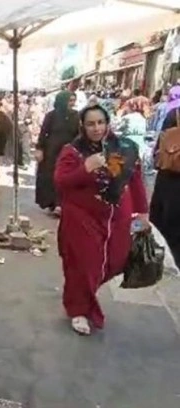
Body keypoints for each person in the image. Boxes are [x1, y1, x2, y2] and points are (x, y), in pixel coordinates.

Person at [54, 105, 149, 335]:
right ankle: (78, 309)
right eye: (90, 124)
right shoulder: (72, 151)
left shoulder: (124, 147)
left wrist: (143, 212)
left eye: (100, 122)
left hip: (118, 217)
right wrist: (86, 168)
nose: (96, 128)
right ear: (83, 126)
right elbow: (61, 182)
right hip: (82, 218)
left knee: (116, 259)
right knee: (85, 265)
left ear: (107, 123)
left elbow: (135, 180)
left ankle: (83, 294)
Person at [35, 91, 79, 214]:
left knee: (65, 176)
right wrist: (40, 149)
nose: (72, 103)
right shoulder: (51, 116)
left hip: (68, 151)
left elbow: (79, 134)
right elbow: (43, 133)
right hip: (51, 151)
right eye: (70, 100)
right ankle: (53, 202)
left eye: (73, 100)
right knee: (51, 176)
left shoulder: (76, 116)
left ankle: (61, 203)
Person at [150, 101, 180, 263]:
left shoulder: (175, 114)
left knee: (166, 227)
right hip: (170, 180)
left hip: (170, 180)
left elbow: (159, 151)